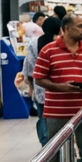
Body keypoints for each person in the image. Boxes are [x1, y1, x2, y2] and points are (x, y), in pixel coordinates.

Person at [33, 14, 82, 162]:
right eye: (79, 26)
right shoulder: (48, 51)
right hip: (56, 111)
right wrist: (62, 87)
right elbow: (39, 78)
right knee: (53, 150)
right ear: (66, 29)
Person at [23, 17, 61, 146]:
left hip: (41, 92)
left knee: (43, 120)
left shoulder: (34, 44)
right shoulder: (64, 43)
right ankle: (62, 148)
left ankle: (47, 148)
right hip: (62, 91)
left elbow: (28, 68)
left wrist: (30, 87)